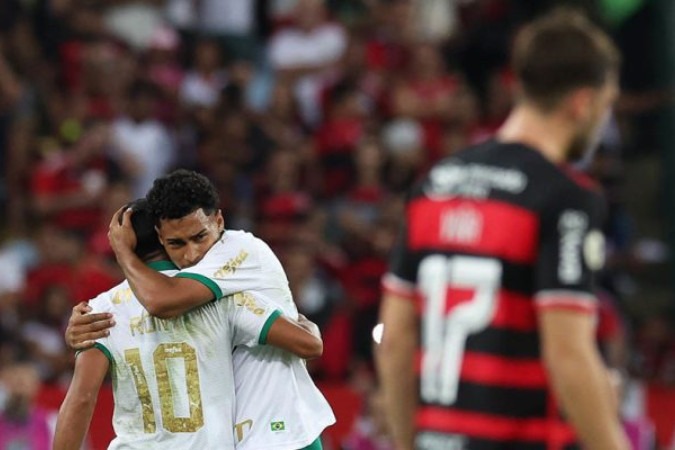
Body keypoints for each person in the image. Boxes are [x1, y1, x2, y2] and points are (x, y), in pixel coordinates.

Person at [376, 10, 631, 450]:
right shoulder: (566, 196)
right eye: (605, 106)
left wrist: (406, 443)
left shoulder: (435, 184)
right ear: (581, 102)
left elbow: (395, 339)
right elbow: (568, 355)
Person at [66, 170, 335, 450]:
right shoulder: (199, 284)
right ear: (160, 237)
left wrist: (123, 253)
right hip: (244, 436)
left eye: (199, 237)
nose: (192, 254)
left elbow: (161, 303)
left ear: (219, 220)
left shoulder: (237, 251)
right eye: (177, 243)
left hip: (279, 432)